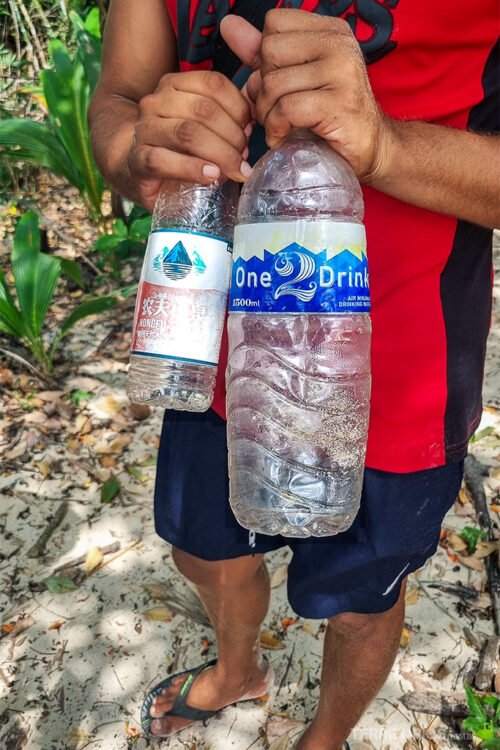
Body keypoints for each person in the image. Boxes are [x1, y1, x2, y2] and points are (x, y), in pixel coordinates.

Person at [89, 2, 499, 748]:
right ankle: (239, 668)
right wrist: (140, 147)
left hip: (405, 376)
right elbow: (119, 99)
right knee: (203, 551)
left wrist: (387, 148)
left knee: (360, 601)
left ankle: (325, 736)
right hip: (217, 348)